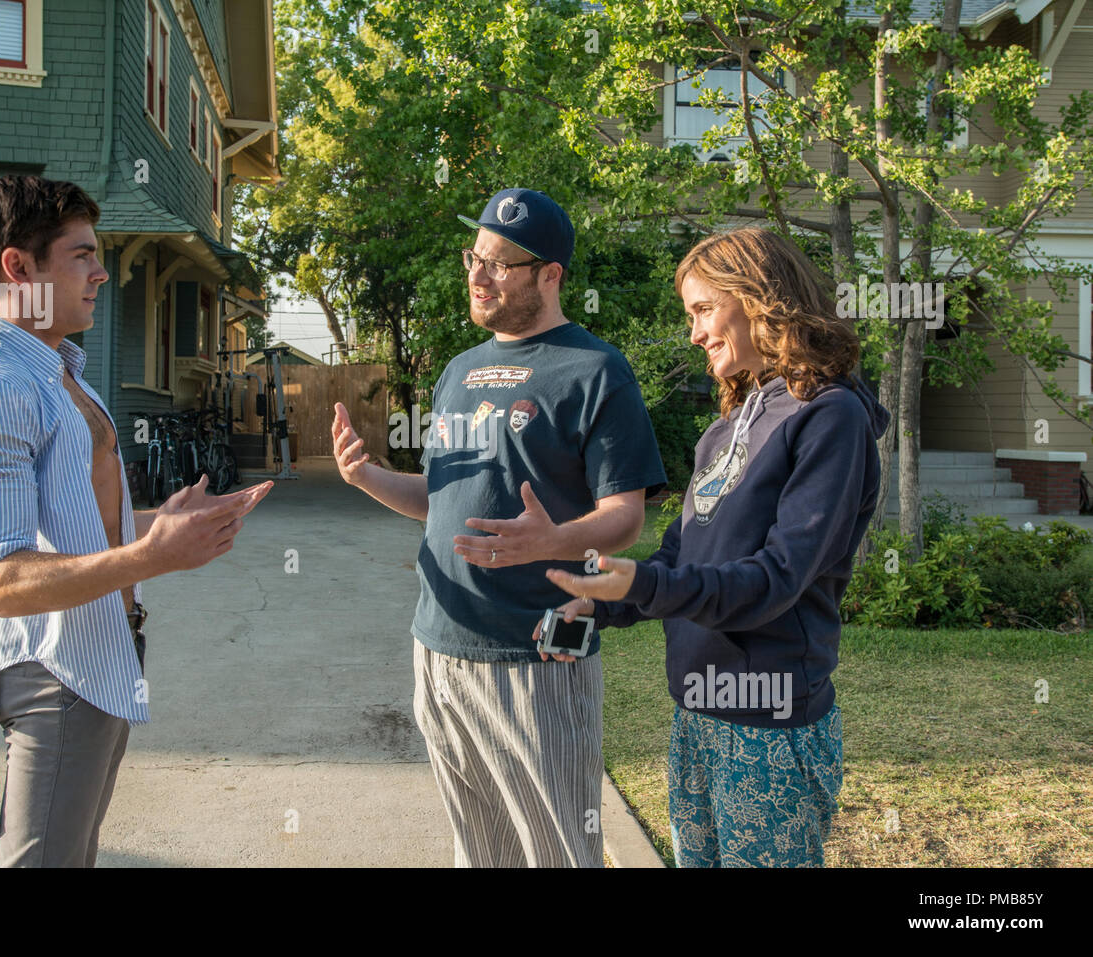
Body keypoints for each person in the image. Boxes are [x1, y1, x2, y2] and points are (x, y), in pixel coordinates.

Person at [0, 174, 272, 867]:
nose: (102, 272)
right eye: (82, 254)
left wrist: (156, 522)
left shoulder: (60, 371)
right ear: (17, 267)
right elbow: (2, 578)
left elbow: (76, 519)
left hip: (103, 660)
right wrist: (153, 556)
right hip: (54, 674)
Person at [331, 188, 666, 867]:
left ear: (550, 275)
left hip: (537, 658)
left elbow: (625, 515)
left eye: (500, 265)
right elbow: (439, 498)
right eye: (474, 258)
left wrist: (553, 540)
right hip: (440, 649)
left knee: (560, 851)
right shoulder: (459, 372)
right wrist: (366, 475)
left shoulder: (598, 371)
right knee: (480, 851)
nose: (478, 277)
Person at [544, 226, 889, 867]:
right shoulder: (726, 427)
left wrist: (640, 587)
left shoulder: (830, 418)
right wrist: (602, 604)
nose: (696, 332)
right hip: (698, 714)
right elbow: (679, 558)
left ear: (759, 297)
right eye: (691, 315)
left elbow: (776, 580)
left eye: (704, 309)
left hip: (772, 726)